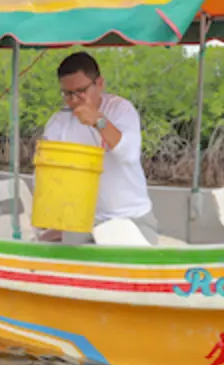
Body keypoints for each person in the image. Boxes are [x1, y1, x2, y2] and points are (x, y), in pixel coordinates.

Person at [38, 51, 158, 244]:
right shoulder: (57, 122)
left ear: (99, 84)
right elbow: (49, 173)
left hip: (130, 218)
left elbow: (128, 154)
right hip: (82, 220)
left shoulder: (121, 110)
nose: (75, 100)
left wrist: (98, 121)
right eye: (68, 94)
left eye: (81, 91)